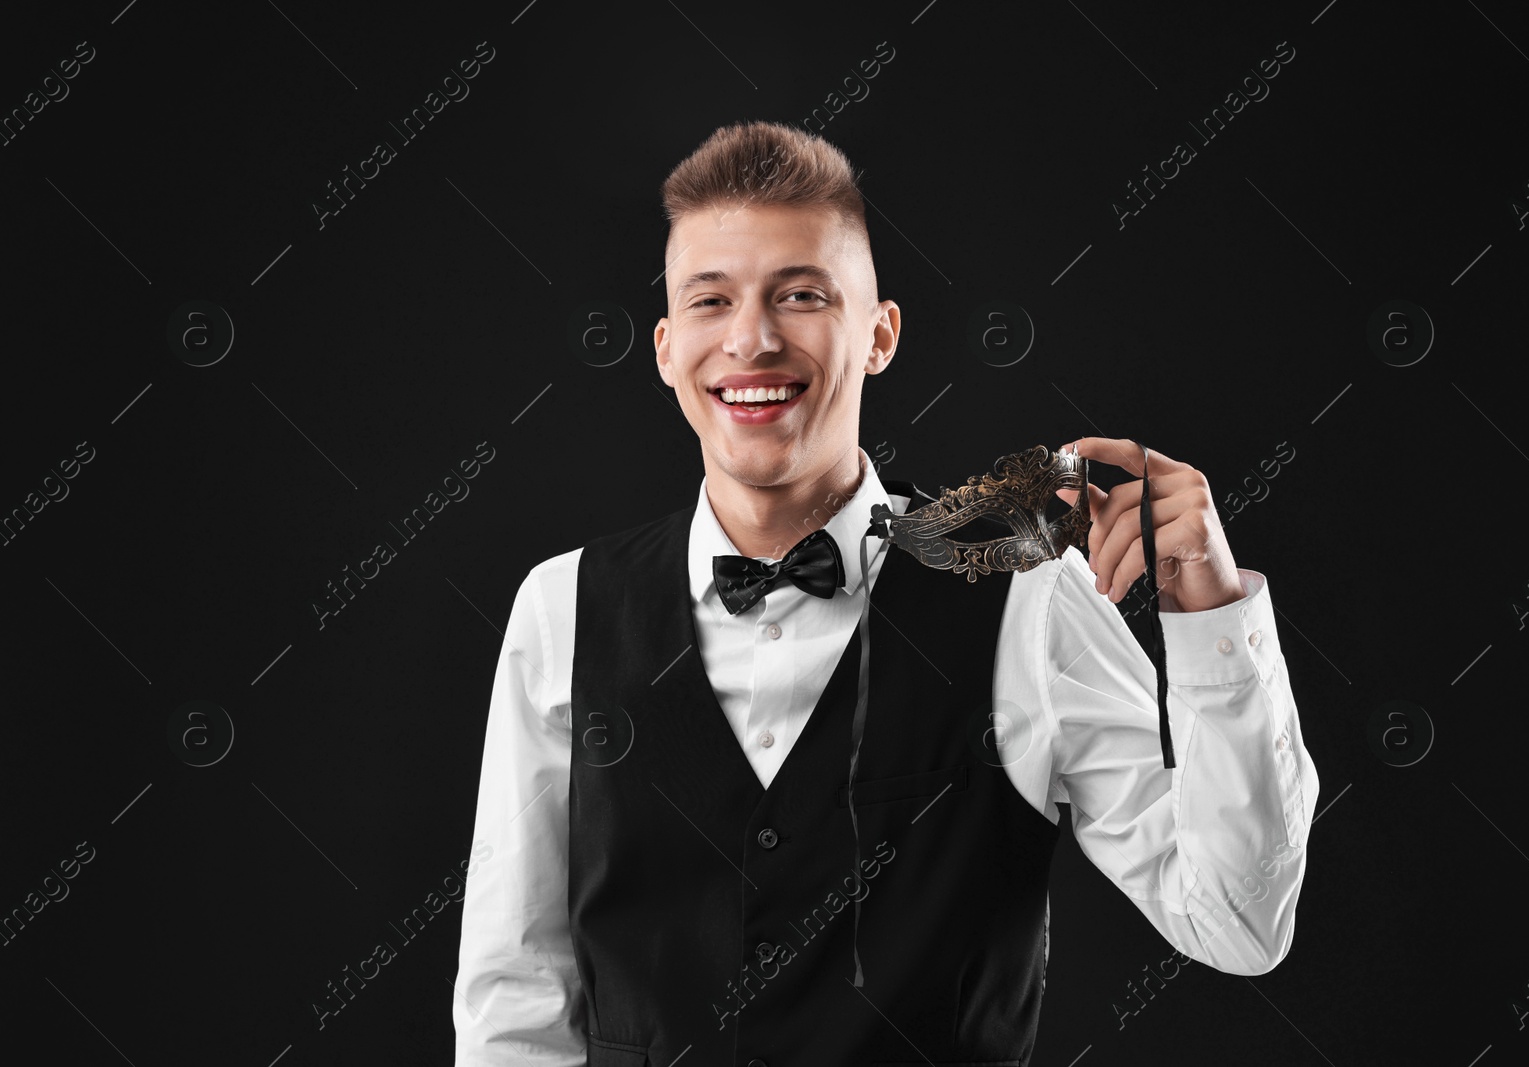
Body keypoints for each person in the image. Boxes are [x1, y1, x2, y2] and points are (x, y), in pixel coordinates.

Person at [453, 120, 1319, 1066]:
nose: (752, 337)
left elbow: (1237, 921)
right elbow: (516, 997)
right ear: (667, 349)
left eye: (801, 293)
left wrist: (1213, 613)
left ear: (879, 335)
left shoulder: (1023, 587)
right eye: (711, 300)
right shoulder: (561, 607)